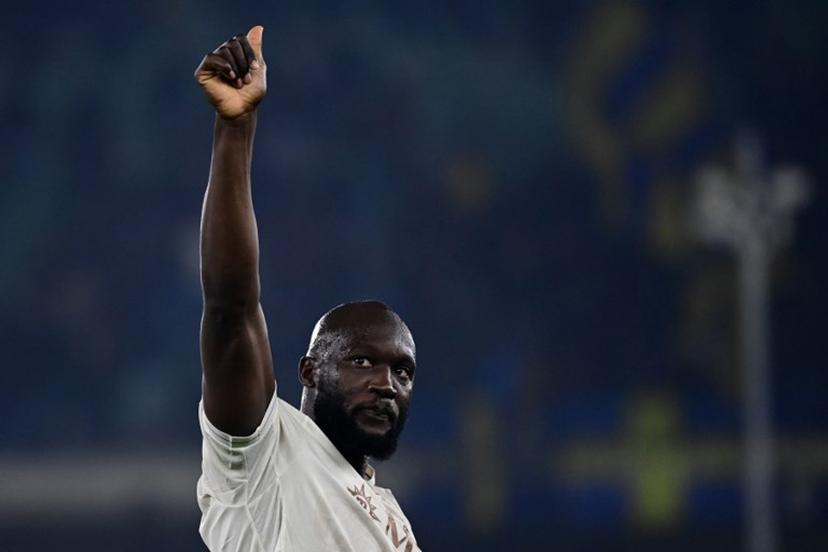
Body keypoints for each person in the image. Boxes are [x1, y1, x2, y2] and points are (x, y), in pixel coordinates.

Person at [194, 25, 421, 552]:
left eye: (402, 372)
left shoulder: (394, 521)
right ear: (309, 371)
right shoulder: (262, 454)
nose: (386, 383)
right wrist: (235, 126)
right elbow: (230, 308)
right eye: (362, 362)